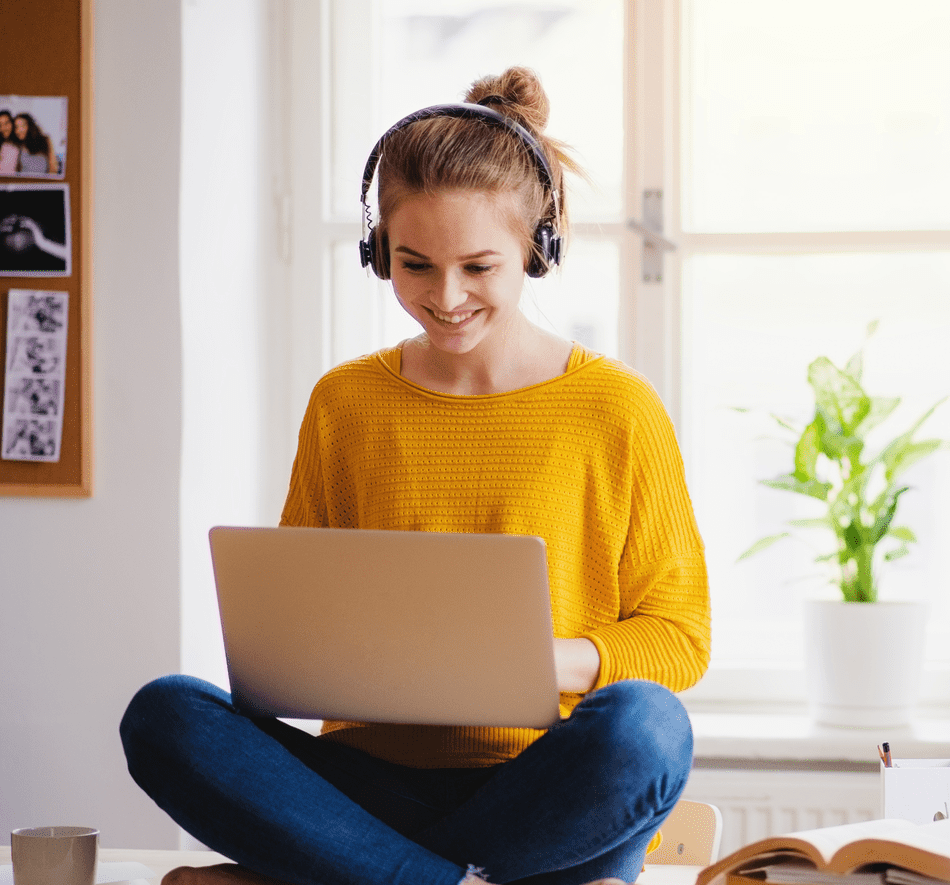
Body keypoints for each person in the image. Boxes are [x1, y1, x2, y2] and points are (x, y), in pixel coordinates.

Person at [119, 66, 711, 885]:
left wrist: (537, 661)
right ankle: (448, 878)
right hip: (365, 790)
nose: (447, 295)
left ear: (537, 249)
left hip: (542, 793)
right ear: (379, 253)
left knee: (648, 726)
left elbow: (680, 637)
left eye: (479, 266)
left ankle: (366, 876)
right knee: (165, 716)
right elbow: (293, 624)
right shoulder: (346, 403)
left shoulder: (618, 408)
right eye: (416, 264)